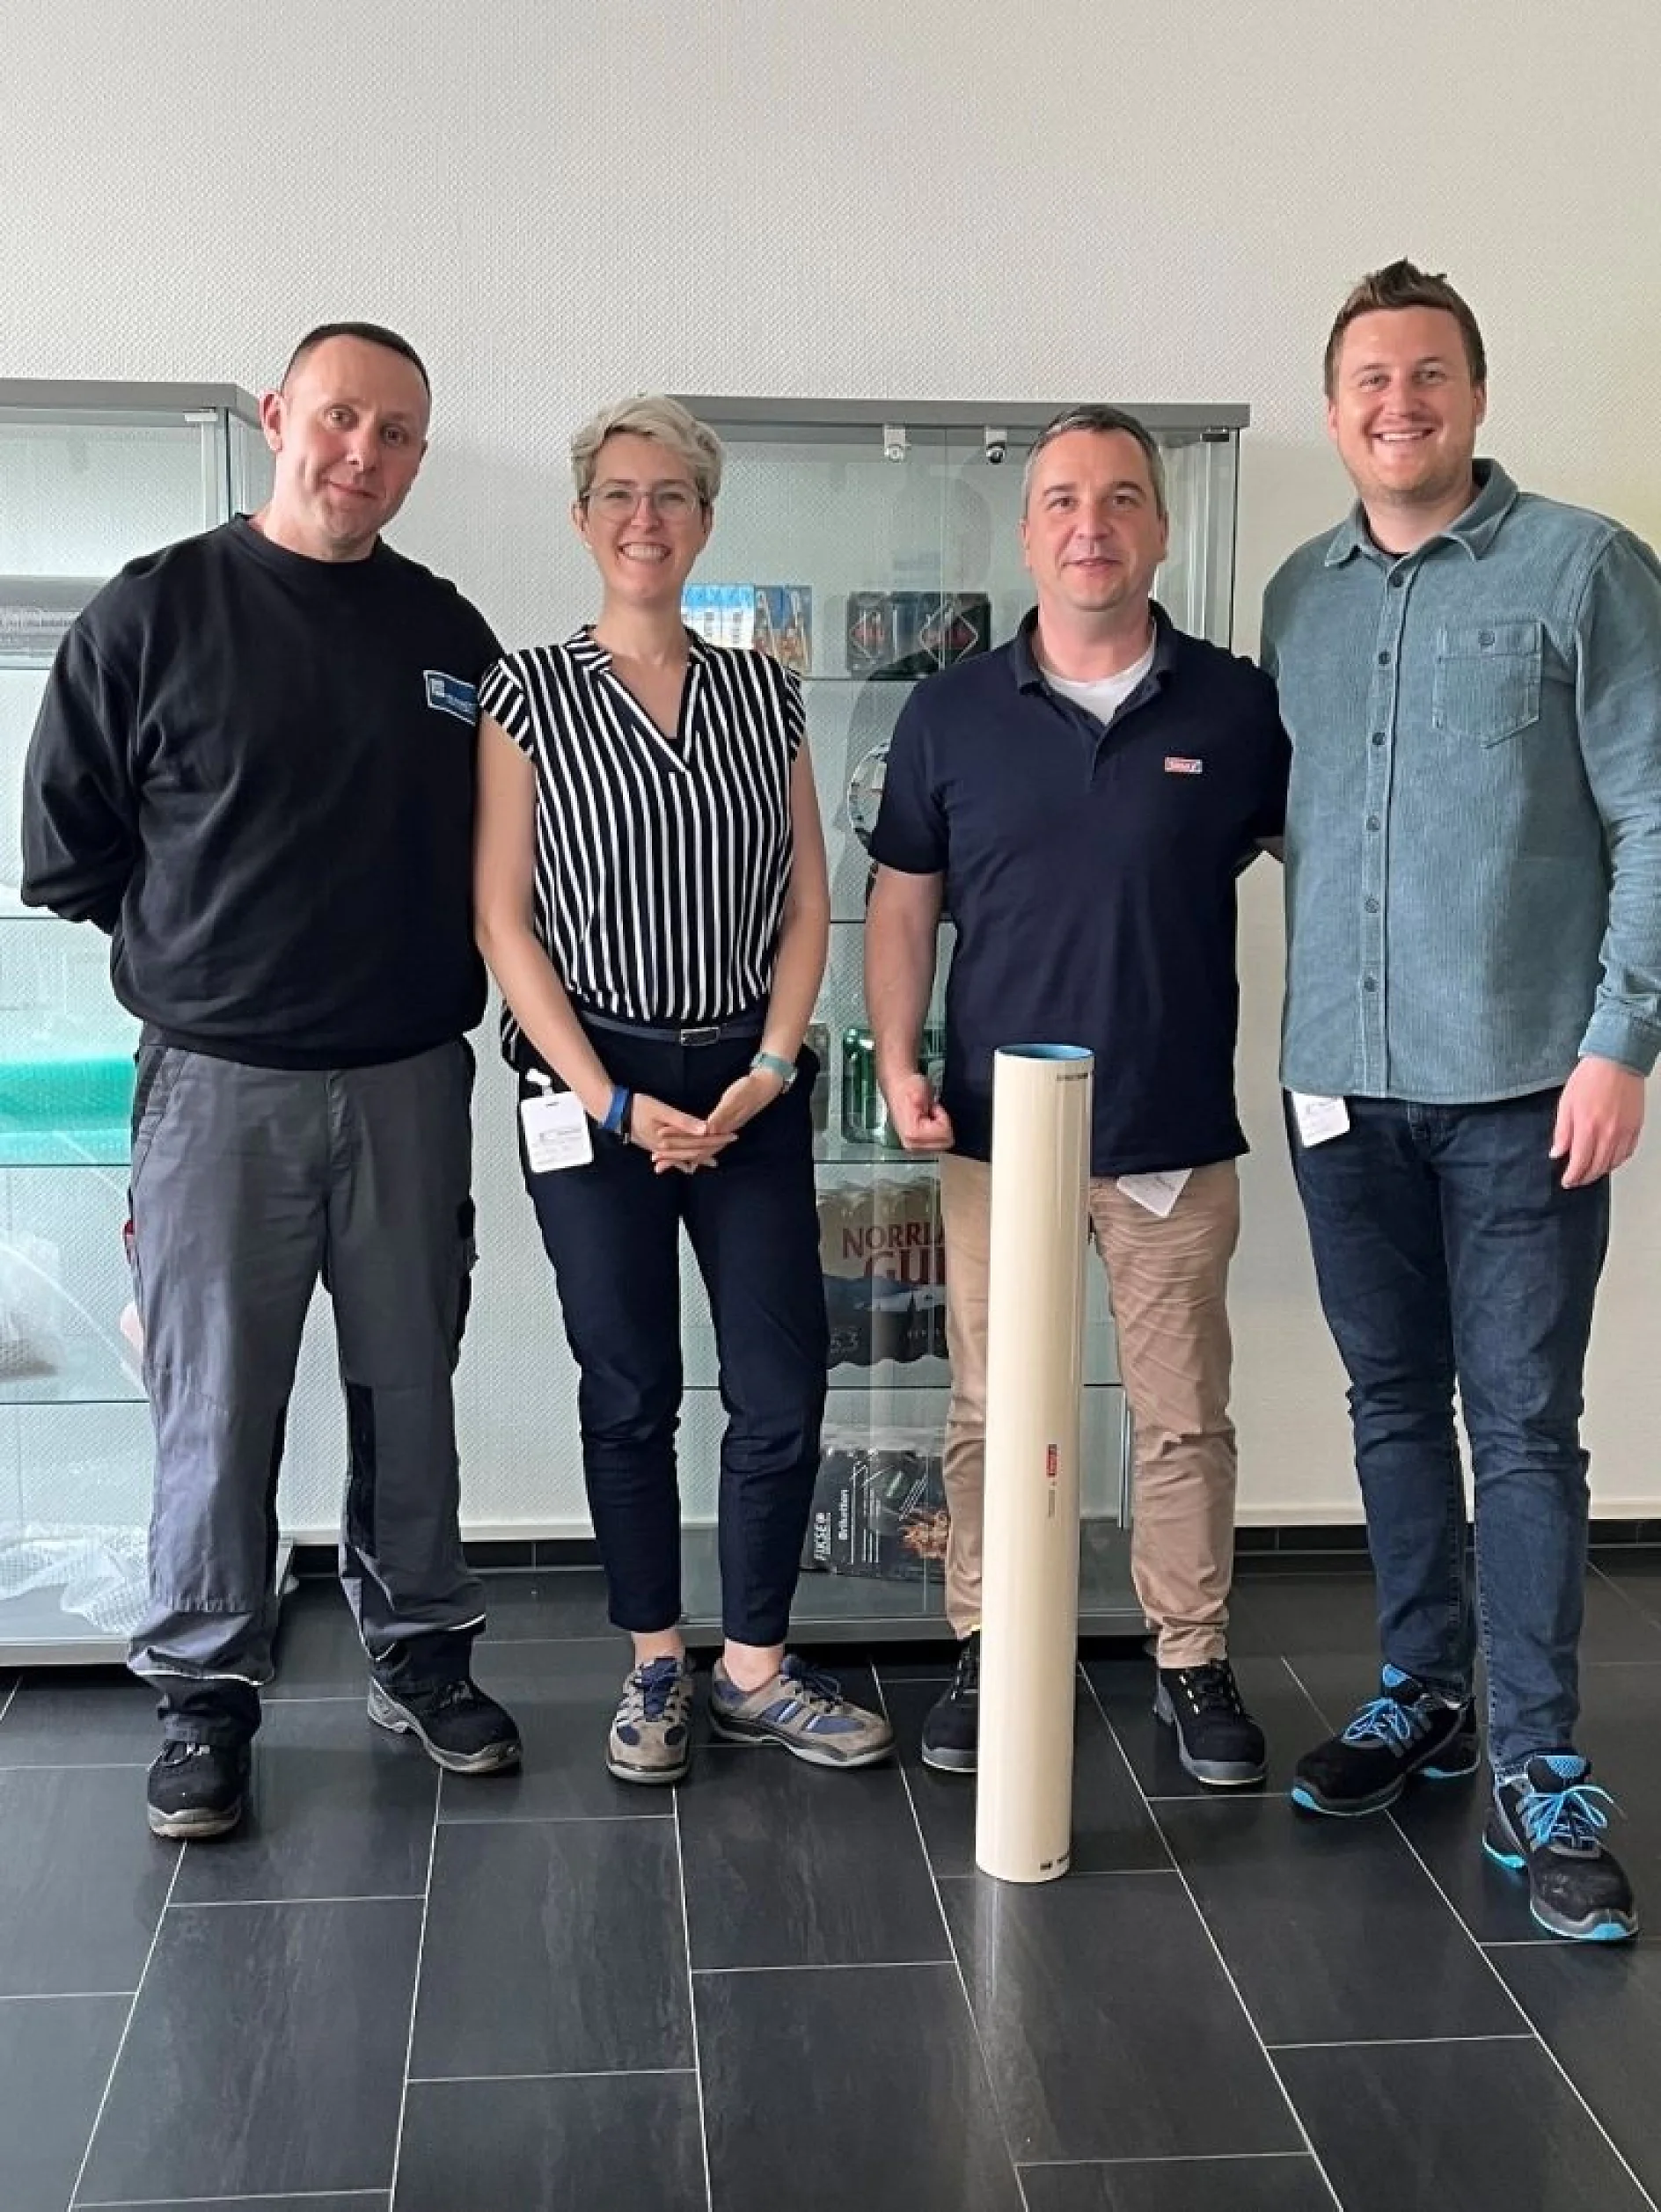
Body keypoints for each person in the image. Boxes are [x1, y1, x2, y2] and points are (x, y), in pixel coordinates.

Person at [20, 322, 521, 1842]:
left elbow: (491, 860)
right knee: (216, 1405)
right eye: (340, 418)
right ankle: (204, 1698)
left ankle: (419, 1649)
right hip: (215, 1092)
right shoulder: (152, 613)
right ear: (275, 417)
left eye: (397, 434)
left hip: (406, 1080)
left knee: (409, 1385)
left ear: (420, 459)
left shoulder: (449, 635)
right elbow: (68, 853)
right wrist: (212, 951)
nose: (363, 453)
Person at [1262, 259, 1661, 1943]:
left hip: (1525, 1091)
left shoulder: (1586, 569)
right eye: (1368, 378)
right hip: (1342, 1086)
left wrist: (1621, 1041)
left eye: (1428, 375)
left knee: (1524, 1428)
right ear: (1336, 404)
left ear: (1477, 395)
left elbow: (1655, 813)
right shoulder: (1301, 594)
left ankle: (1544, 1760)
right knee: (1385, 1408)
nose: (1398, 404)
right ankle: (1423, 1690)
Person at [866, 404, 1289, 1785]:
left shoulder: (1235, 706)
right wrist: (896, 1057)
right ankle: (994, 1646)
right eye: (1061, 500)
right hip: (1000, 1142)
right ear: (1029, 527)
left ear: (1160, 528)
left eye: (1119, 498)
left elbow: (1339, 870)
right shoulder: (950, 711)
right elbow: (904, 901)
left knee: (1180, 1419)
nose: (1090, 525)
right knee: (996, 1414)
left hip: (1173, 1138)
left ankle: (1190, 1658)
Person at [472, 393, 892, 1783]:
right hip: (594, 1083)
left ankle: (757, 1666)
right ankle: (657, 1664)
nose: (644, 517)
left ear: (706, 521)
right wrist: (605, 1099)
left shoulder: (766, 689)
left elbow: (810, 906)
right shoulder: (525, 690)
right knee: (631, 1379)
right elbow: (504, 922)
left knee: (781, 1382)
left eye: (672, 495)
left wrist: (774, 1065)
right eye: (619, 494)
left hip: (747, 1085)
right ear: (584, 517)